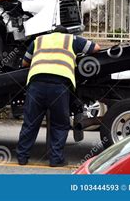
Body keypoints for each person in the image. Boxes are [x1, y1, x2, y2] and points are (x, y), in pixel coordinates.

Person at [16, 25, 100, 167]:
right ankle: (55, 159)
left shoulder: (39, 40)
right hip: (59, 86)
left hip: (36, 85)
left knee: (30, 123)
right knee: (60, 124)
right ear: (65, 33)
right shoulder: (71, 39)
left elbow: (24, 62)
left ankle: (22, 157)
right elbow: (96, 48)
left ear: (52, 33)